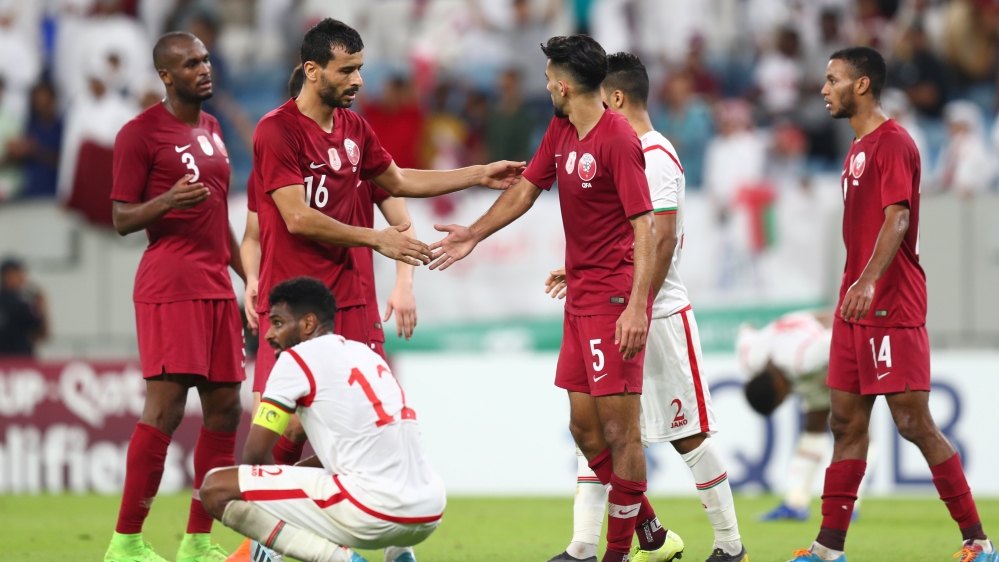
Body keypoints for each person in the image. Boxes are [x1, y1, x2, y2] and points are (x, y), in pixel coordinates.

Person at [429, 35, 676, 562]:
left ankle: (617, 554)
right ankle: (651, 532)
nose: (546, 86)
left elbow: (646, 227)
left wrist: (638, 306)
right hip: (580, 297)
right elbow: (525, 188)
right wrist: (474, 233)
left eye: (547, 79)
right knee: (585, 430)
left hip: (614, 299)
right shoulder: (562, 129)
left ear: (564, 85)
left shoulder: (617, 139)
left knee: (619, 431)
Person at [249, 18, 521, 467]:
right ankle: (264, 530)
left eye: (360, 68)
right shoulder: (276, 131)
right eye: (346, 70)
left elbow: (397, 180)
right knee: (288, 424)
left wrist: (477, 173)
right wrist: (375, 239)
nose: (358, 80)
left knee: (365, 424)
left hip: (349, 300)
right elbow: (296, 218)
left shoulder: (355, 128)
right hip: (292, 300)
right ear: (313, 71)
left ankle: (338, 525)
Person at [788, 46, 996, 562]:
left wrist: (866, 281)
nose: (823, 88)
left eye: (832, 79)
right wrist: (852, 289)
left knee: (912, 423)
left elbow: (897, 219)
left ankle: (979, 541)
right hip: (854, 306)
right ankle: (828, 548)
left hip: (890, 304)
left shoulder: (894, 142)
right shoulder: (857, 148)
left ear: (861, 85)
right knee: (845, 423)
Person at [542, 52, 747, 562]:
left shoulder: (654, 154)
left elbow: (660, 237)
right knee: (599, 432)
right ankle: (596, 544)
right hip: (619, 308)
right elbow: (624, 236)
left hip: (659, 316)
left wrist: (637, 306)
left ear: (613, 98)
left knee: (688, 436)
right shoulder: (619, 146)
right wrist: (586, 271)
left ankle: (730, 545)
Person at [105, 32, 246, 562]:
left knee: (227, 410)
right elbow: (120, 219)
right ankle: (126, 542)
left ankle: (197, 540)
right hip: (170, 284)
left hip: (215, 285)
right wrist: (165, 200)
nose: (204, 69)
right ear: (166, 76)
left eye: (207, 59)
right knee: (163, 411)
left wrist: (248, 277)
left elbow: (218, 222)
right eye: (191, 64)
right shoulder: (139, 134)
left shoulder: (212, 128)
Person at [200, 277, 445, 562]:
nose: (268, 335)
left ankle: (341, 560)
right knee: (361, 475)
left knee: (216, 488)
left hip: (375, 512)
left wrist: (283, 507)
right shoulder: (366, 355)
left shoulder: (296, 359)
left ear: (307, 324)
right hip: (429, 507)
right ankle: (402, 556)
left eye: (277, 323)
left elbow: (255, 454)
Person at [738, 311, 839, 522]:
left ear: (779, 385)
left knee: (850, 426)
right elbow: (746, 328)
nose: (786, 400)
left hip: (822, 331)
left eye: (782, 399)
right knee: (814, 425)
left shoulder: (807, 359)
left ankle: (847, 504)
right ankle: (796, 504)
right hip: (796, 335)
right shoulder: (748, 358)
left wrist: (839, 372)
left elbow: (840, 330)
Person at [0, 258, 47, 356]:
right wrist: (41, 307)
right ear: (7, 275)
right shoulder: (23, 304)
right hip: (20, 361)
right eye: (18, 274)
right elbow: (41, 333)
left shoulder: (25, 301)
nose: (23, 278)